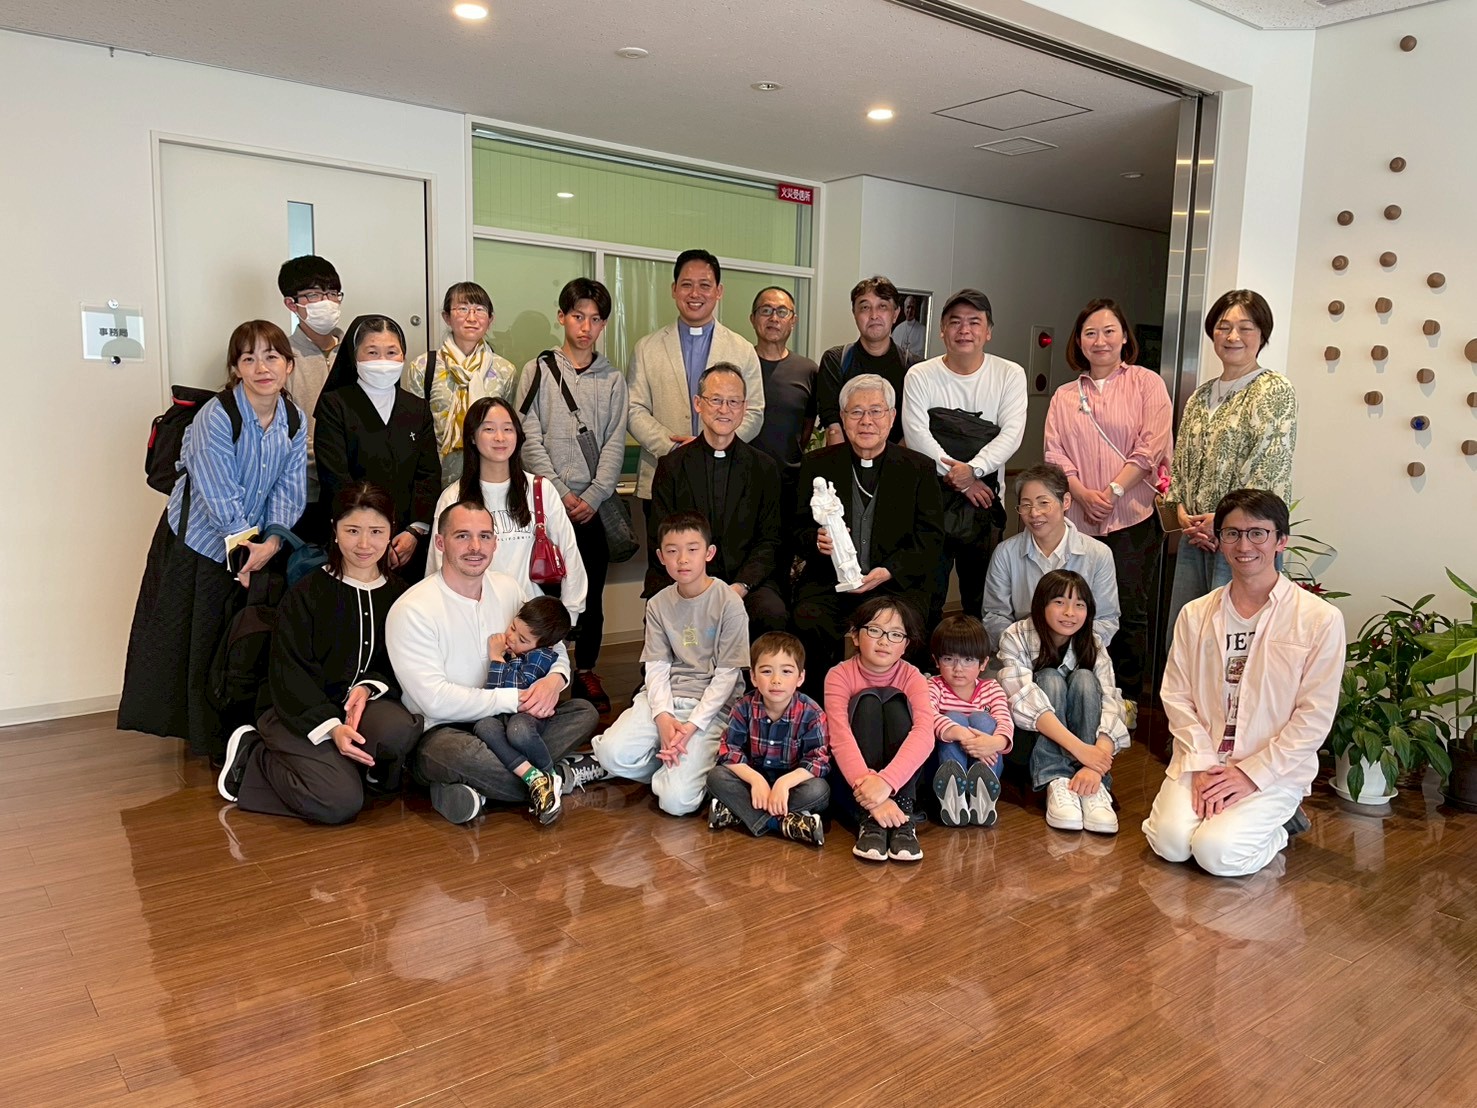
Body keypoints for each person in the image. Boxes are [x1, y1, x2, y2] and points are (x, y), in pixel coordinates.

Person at [119, 320, 307, 760]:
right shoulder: (217, 415)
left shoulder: (294, 418)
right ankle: (199, 739)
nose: (262, 367)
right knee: (195, 640)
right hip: (198, 546)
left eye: (272, 357)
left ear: (289, 365)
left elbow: (290, 487)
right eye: (249, 358)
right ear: (236, 368)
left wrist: (273, 541)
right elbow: (216, 490)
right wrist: (244, 549)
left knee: (237, 640)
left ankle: (233, 733)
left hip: (256, 548)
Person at [1143, 490, 1344, 877]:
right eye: (1232, 534)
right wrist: (1202, 764)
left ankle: (1279, 827)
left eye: (1257, 533)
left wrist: (1252, 774)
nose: (1244, 545)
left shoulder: (1319, 618)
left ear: (1281, 540)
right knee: (1169, 844)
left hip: (1271, 765)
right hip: (1204, 757)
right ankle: (1228, 819)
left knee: (1216, 854)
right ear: (1219, 540)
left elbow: (1314, 716)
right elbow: (1176, 695)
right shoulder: (1195, 614)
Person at [217, 483, 422, 824]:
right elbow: (290, 675)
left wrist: (368, 686)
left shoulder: (402, 595)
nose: (364, 544)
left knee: (401, 728)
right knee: (340, 802)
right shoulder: (307, 592)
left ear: (391, 532)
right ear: (334, 531)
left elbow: (398, 663)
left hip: (357, 707)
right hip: (295, 710)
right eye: (352, 531)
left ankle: (345, 770)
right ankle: (252, 759)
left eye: (376, 531)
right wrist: (332, 729)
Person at [386, 501, 599, 824]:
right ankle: (557, 775)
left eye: (484, 536)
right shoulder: (412, 609)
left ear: (495, 543)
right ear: (440, 543)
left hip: (508, 722)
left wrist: (555, 680)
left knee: (584, 711)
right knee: (458, 755)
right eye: (462, 536)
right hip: (445, 730)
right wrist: (516, 699)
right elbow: (434, 701)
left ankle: (482, 788)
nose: (476, 546)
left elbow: (548, 640)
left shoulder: (507, 587)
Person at [1044, 298, 1173, 702]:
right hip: (1079, 521)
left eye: (1108, 331)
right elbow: (1054, 453)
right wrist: (1081, 494)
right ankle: (1079, 694)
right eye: (1090, 333)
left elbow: (1152, 445)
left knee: (1130, 611)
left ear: (1124, 338)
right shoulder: (1064, 395)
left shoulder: (1146, 383)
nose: (1099, 340)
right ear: (1079, 341)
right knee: (1075, 609)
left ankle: (1127, 700)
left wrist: (1115, 490)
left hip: (1133, 517)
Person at [515, 277, 628, 715]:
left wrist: (594, 495)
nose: (586, 327)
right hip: (545, 505)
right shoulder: (537, 369)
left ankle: (586, 669)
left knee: (590, 592)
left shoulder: (613, 378)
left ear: (604, 324)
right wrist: (558, 493)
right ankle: (538, 667)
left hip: (592, 509)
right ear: (561, 317)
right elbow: (527, 435)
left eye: (595, 319)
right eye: (578, 316)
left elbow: (615, 441)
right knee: (542, 589)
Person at [793, 374, 944, 697]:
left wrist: (888, 571)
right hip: (829, 582)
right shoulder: (817, 464)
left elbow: (930, 539)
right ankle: (820, 706)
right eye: (856, 412)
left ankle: (889, 705)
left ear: (892, 416)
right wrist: (816, 540)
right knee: (808, 618)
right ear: (842, 417)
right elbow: (796, 528)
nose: (866, 421)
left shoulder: (918, 468)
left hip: (894, 584)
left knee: (897, 625)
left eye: (876, 411)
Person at [591, 512, 750, 817]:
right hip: (665, 699)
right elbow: (657, 666)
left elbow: (727, 676)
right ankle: (672, 766)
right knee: (611, 755)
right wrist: (663, 716)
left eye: (692, 549)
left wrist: (691, 727)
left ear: (709, 553)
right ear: (661, 557)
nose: (683, 559)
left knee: (676, 802)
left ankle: (679, 771)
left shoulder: (729, 603)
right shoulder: (657, 604)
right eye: (673, 551)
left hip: (710, 710)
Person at [1164, 289, 1297, 637]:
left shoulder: (1273, 389)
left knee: (1235, 641)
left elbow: (1267, 470)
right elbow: (1180, 467)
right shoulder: (1200, 395)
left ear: (1262, 334)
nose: (1233, 336)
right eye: (1223, 327)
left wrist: (1223, 524)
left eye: (1245, 327)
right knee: (1188, 636)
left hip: (1243, 541)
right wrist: (1181, 514)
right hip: (1196, 538)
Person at [901, 288, 1028, 629]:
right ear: (942, 330)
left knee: (982, 601)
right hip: (930, 503)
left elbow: (1012, 434)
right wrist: (963, 478)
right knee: (927, 598)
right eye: (955, 322)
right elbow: (916, 435)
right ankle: (922, 662)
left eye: (974, 322)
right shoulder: (920, 375)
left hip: (984, 503)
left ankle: (978, 662)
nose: (964, 330)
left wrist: (974, 470)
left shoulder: (1010, 374)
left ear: (989, 331)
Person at [627, 249, 764, 530]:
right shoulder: (647, 347)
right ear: (674, 289)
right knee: (666, 554)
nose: (695, 293)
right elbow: (633, 408)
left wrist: (713, 444)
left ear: (719, 291)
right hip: (663, 473)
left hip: (726, 477)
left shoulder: (742, 349)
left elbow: (754, 411)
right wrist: (675, 448)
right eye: (686, 284)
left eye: (705, 285)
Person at [426, 398, 587, 633]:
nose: (500, 438)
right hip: (471, 621)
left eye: (508, 429)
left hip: (532, 624)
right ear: (472, 437)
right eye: (489, 429)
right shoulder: (453, 497)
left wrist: (568, 618)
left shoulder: (541, 490)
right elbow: (437, 564)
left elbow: (570, 554)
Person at [648, 363, 786, 635]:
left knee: (773, 613)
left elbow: (770, 540)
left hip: (746, 582)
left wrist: (740, 587)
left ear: (744, 408)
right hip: (684, 579)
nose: (725, 409)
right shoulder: (671, 467)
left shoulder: (764, 467)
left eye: (733, 402)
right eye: (716, 400)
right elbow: (661, 536)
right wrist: (696, 587)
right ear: (698, 403)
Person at [996, 570, 1130, 835]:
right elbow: (1023, 702)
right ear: (1041, 603)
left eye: (1079, 605)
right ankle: (1056, 779)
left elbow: (1112, 701)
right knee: (1050, 678)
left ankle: (1092, 786)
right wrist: (1081, 750)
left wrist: (1095, 764)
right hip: (1029, 744)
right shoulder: (1015, 635)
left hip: (1088, 756)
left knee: (1085, 679)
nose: (1070, 613)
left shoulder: (1093, 643)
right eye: (1060, 602)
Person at [312, 315, 440, 579]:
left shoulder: (417, 408)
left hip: (407, 542)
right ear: (354, 356)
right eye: (372, 352)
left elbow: (428, 474)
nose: (383, 361)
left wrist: (414, 530)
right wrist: (371, 535)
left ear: (403, 356)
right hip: (353, 539)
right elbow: (335, 476)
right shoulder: (334, 405)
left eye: (391, 352)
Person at [824, 596, 934, 863]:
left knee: (895, 702)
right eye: (874, 630)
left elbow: (925, 734)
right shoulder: (838, 675)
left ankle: (903, 812)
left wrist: (886, 783)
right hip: (856, 785)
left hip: (900, 782)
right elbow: (839, 737)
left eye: (895, 634)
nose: (884, 641)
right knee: (869, 700)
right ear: (855, 635)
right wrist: (873, 798)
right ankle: (870, 818)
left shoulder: (913, 676)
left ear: (906, 645)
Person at [706, 631, 830, 847]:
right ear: (753, 677)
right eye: (766, 671)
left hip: (792, 786)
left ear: (800, 677)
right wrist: (756, 780)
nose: (776, 680)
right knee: (716, 777)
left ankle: (740, 814)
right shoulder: (743, 707)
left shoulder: (812, 713)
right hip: (753, 783)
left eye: (786, 671)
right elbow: (729, 751)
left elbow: (818, 761)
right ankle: (781, 823)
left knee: (819, 790)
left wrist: (784, 783)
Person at [981, 464, 1121, 653]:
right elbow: (995, 616)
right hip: (1022, 653)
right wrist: (1028, 649)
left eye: (1043, 503)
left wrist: (1065, 650)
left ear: (1066, 501)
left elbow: (1106, 619)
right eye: (1026, 505)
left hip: (1078, 654)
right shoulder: (1005, 553)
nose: (1034, 513)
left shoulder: (1098, 554)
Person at [403, 282, 518, 486]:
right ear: (446, 317)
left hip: (487, 474)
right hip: (435, 475)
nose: (471, 318)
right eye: (462, 309)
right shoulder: (423, 366)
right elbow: (414, 429)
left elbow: (508, 428)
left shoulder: (505, 371)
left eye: (479, 310)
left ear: (490, 319)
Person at [473, 595, 574, 825]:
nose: (511, 638)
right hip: (502, 713)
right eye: (512, 628)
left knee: (518, 731)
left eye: (522, 639)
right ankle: (534, 777)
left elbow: (511, 687)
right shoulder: (516, 650)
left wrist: (496, 657)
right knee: (483, 726)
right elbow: (492, 696)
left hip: (528, 715)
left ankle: (549, 774)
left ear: (545, 645)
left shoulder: (541, 656)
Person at [927, 614, 1013, 829]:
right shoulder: (934, 686)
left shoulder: (991, 688)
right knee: (954, 717)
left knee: (982, 719)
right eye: (949, 659)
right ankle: (953, 792)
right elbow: (928, 716)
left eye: (968, 660)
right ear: (936, 661)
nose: (958, 668)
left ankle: (982, 791)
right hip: (943, 762)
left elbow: (1005, 720)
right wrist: (961, 733)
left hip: (987, 758)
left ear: (983, 663)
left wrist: (995, 743)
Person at [277, 254, 344, 517]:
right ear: (291, 304)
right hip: (301, 494)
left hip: (355, 492)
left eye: (332, 293)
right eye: (314, 295)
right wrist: (329, 467)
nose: (326, 302)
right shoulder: (279, 358)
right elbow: (281, 433)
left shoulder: (358, 352)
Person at [817, 276, 916, 447]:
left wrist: (894, 461)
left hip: (897, 458)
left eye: (882, 306)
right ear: (854, 314)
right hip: (844, 456)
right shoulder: (835, 360)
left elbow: (913, 428)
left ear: (895, 314)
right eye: (865, 307)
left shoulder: (913, 367)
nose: (874, 315)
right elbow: (833, 426)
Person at [892, 294, 926, 362]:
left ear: (915, 309)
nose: (910, 310)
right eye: (908, 307)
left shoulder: (923, 330)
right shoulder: (897, 329)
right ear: (904, 309)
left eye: (912, 307)